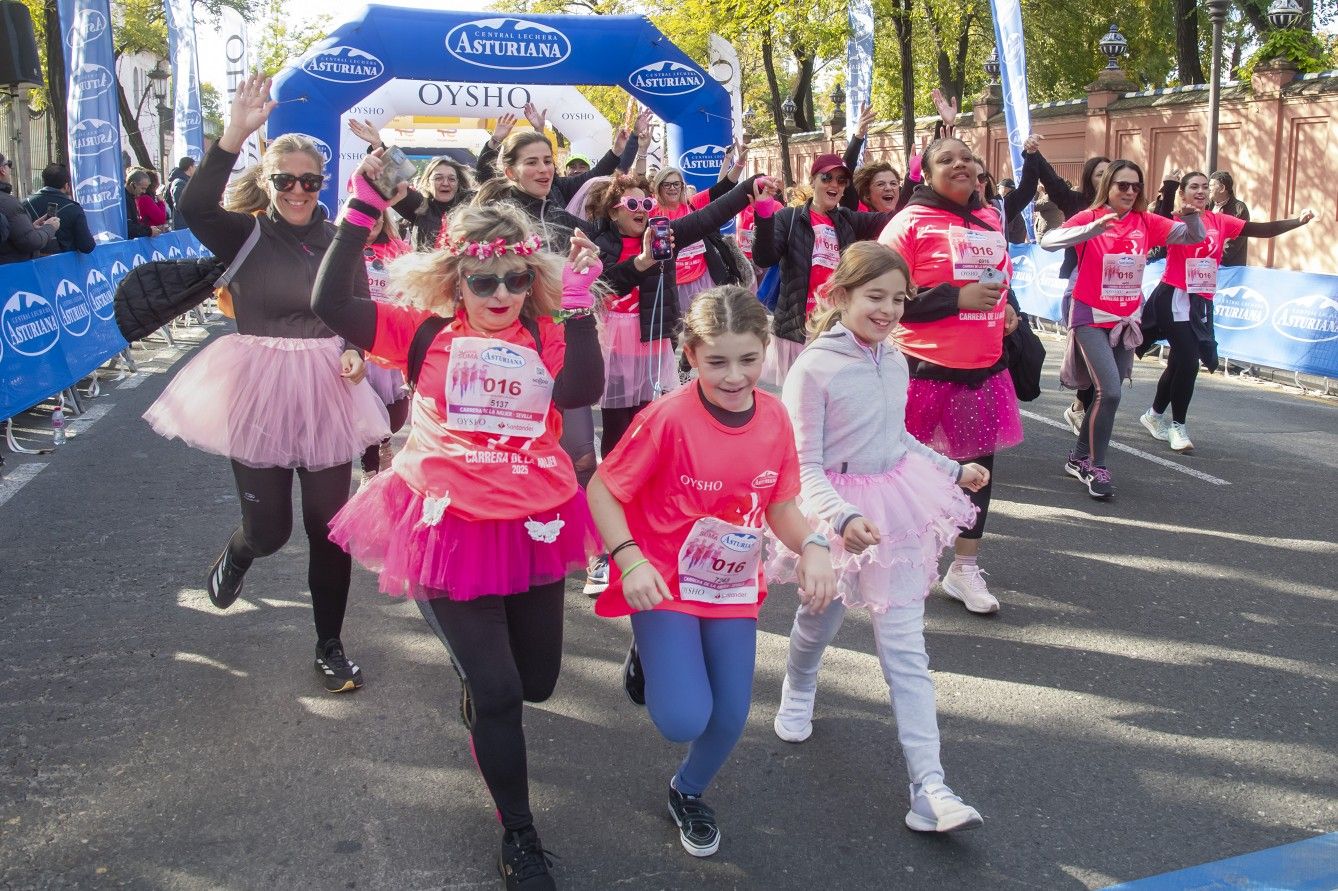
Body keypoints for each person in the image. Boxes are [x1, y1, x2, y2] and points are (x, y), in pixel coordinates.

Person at [313, 150, 605, 891]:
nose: (501, 292)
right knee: (502, 691)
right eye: (483, 279)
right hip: (447, 522)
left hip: (534, 520)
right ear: (455, 279)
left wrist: (578, 305)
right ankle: (520, 834)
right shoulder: (420, 332)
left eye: (516, 278)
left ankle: (483, 684)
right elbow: (331, 306)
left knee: (534, 683)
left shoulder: (542, 329)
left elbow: (583, 388)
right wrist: (359, 208)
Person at [144, 73, 390, 692]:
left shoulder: (341, 241)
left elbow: (358, 307)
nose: (299, 191)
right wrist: (234, 134)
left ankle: (330, 644)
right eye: (286, 181)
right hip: (258, 386)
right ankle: (242, 550)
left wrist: (359, 350)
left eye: (310, 181)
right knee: (272, 530)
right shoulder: (245, 232)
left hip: (328, 387)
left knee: (329, 526)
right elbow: (194, 208)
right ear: (269, 182)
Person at [588, 286, 836, 859]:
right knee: (681, 719)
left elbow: (779, 508)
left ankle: (687, 790)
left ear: (766, 352)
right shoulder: (667, 417)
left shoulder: (774, 418)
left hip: (730, 586)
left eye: (748, 359)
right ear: (691, 354)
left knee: (728, 719)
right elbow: (603, 488)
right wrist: (629, 559)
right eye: (717, 360)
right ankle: (650, 652)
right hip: (663, 581)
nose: (734, 376)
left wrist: (815, 546)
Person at [767, 242, 987, 833]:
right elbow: (803, 464)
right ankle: (799, 686)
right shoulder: (814, 367)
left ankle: (929, 787)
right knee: (820, 620)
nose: (888, 310)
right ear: (839, 296)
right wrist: (838, 517)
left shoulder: (894, 359)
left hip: (896, 509)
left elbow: (899, 442)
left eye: (898, 298)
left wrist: (952, 469)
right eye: (875, 297)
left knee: (906, 651)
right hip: (834, 513)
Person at [877, 135, 1024, 614]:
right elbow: (882, 298)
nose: (960, 164)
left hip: (982, 371)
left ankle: (963, 568)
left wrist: (1008, 310)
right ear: (924, 172)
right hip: (921, 372)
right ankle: (900, 562)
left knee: (978, 475)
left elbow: (1000, 279)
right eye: (946, 159)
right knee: (907, 475)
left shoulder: (988, 217)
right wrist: (954, 299)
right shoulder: (908, 223)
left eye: (967, 157)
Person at [1039, 160, 1206, 499]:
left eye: (1135, 186)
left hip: (1125, 319)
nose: (1130, 192)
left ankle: (1078, 457)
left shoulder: (1145, 221)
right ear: (1108, 188)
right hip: (1089, 316)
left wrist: (1190, 215)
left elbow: (1192, 237)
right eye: (1122, 185)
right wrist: (1091, 230)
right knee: (1110, 392)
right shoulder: (1091, 216)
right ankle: (1096, 466)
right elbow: (1049, 241)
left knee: (1106, 395)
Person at [1138, 172, 1314, 452]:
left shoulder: (1220, 221)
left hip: (1201, 300)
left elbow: (1261, 229)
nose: (1200, 191)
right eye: (1193, 187)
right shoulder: (1175, 218)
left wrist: (1298, 221)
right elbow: (1155, 222)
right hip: (1174, 295)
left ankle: (1154, 415)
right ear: (1183, 193)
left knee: (1180, 362)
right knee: (1188, 362)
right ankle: (1178, 427)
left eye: (1204, 187)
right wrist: (1169, 187)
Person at [753, 154, 896, 386]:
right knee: (797, 405)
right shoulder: (788, 218)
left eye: (841, 181)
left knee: (835, 402)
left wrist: (912, 179)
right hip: (796, 331)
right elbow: (763, 257)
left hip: (834, 328)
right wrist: (764, 216)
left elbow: (893, 218)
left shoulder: (847, 220)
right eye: (827, 177)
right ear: (813, 181)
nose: (834, 185)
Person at [1034, 154, 1112, 435]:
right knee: (1088, 357)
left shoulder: (1123, 209)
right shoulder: (1078, 203)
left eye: (1109, 173)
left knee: (1106, 362)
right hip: (1081, 289)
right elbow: (1053, 184)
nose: (1106, 178)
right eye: (1100, 173)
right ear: (1090, 177)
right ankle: (1084, 412)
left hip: (1113, 294)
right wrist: (1034, 155)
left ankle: (1081, 407)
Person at [648, 151, 750, 313]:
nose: (672, 188)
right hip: (672, 282)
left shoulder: (692, 204)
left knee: (706, 328)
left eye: (676, 184)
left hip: (702, 277)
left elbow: (723, 188)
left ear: (682, 186)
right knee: (679, 332)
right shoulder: (652, 211)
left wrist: (739, 163)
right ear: (659, 187)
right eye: (667, 184)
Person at [358, 207, 413, 483]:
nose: (373, 223)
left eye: (378, 217)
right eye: (366, 218)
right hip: (354, 336)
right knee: (362, 407)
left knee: (395, 411)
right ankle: (369, 470)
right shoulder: (343, 249)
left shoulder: (399, 250)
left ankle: (384, 441)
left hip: (389, 336)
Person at [23, 163, 96, 255]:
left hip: (30, 265)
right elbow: (87, 246)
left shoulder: (24, 204)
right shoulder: (73, 209)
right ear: (66, 186)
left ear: (44, 182)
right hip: (64, 266)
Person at [0, 152, 59, 263]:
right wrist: (50, 228)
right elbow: (30, 242)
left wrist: (30, 228)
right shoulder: (8, 202)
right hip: (14, 273)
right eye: (9, 164)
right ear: (2, 169)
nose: (10, 169)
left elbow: (12, 235)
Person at [1209, 171, 1251, 267]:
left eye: (1211, 185)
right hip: (1205, 266)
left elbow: (1232, 244)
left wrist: (1211, 261)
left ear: (1222, 188)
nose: (1208, 189)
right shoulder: (1207, 206)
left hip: (1229, 268)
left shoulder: (1239, 209)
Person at [136, 170, 170, 234]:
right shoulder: (145, 198)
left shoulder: (142, 197)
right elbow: (161, 219)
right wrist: (161, 202)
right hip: (149, 235)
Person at [165, 156, 195, 230]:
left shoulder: (186, 181)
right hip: (183, 225)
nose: (195, 169)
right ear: (190, 167)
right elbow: (179, 205)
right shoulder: (179, 182)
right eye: (195, 167)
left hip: (188, 223)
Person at [123, 170, 153, 238]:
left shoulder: (131, 197)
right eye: (142, 188)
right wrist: (149, 231)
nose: (144, 192)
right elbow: (128, 227)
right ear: (133, 184)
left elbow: (135, 222)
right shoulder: (123, 199)